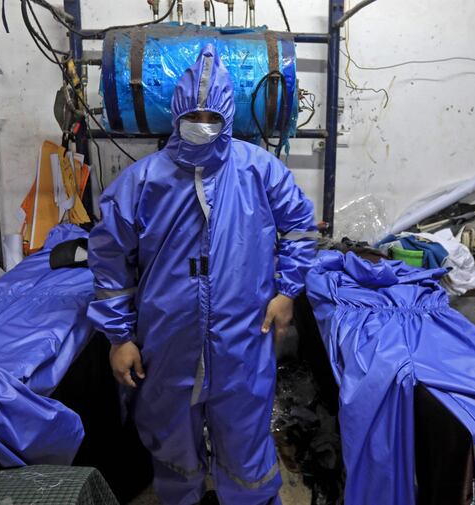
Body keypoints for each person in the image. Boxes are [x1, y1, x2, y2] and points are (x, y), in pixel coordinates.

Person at [88, 44, 317, 505]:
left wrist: (288, 291)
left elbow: (300, 229)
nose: (202, 122)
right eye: (194, 113)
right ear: (177, 112)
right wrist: (120, 337)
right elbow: (110, 260)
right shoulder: (142, 181)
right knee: (171, 437)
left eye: (212, 115)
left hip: (244, 333)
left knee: (245, 432)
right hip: (167, 339)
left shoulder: (260, 170)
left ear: (228, 115)